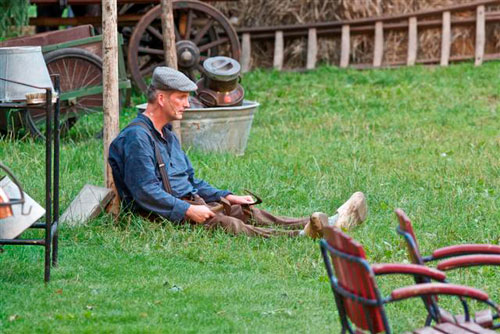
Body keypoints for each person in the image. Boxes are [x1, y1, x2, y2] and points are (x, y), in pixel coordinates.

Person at [108, 67, 367, 237]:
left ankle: (328, 223)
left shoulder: (167, 135)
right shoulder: (136, 138)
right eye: (181, 97)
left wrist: (227, 196)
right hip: (162, 215)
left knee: (245, 212)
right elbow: (145, 192)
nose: (187, 104)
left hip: (188, 204)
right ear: (162, 98)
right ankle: (302, 236)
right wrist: (188, 211)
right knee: (229, 225)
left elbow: (191, 181)